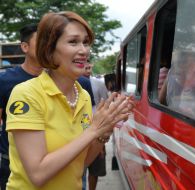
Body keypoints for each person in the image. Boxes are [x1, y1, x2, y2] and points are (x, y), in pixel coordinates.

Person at [5, 11, 133, 190]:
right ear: (49, 49)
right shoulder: (27, 94)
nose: (84, 50)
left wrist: (105, 129)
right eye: (73, 42)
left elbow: (81, 164)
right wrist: (94, 129)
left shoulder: (84, 96)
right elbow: (38, 174)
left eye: (86, 42)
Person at [0, 23, 43, 190]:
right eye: (41, 41)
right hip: (10, 163)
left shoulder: (59, 81)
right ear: (25, 47)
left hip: (52, 162)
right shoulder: (5, 81)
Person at [83, 62, 109, 190]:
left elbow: (105, 103)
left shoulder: (98, 83)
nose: (87, 70)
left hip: (97, 129)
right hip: (81, 130)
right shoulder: (72, 83)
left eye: (89, 68)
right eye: (85, 68)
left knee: (95, 168)